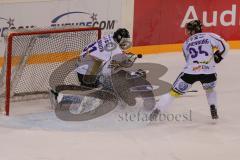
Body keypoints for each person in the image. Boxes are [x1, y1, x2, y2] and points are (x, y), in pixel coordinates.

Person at [150, 20, 229, 120]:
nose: (187, 32)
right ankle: (213, 108)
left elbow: (188, 60)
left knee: (172, 93)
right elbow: (226, 46)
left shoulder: (186, 43)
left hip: (190, 72)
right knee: (210, 89)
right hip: (209, 72)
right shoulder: (210, 36)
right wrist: (219, 56)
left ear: (192, 31)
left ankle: (156, 111)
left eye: (188, 30)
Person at [50, 28, 143, 104]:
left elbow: (110, 53)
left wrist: (124, 56)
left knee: (88, 88)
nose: (125, 43)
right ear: (119, 38)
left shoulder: (109, 37)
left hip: (82, 65)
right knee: (93, 97)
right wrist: (129, 60)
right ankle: (62, 97)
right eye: (124, 40)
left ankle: (59, 89)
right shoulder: (116, 50)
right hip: (87, 70)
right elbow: (119, 65)